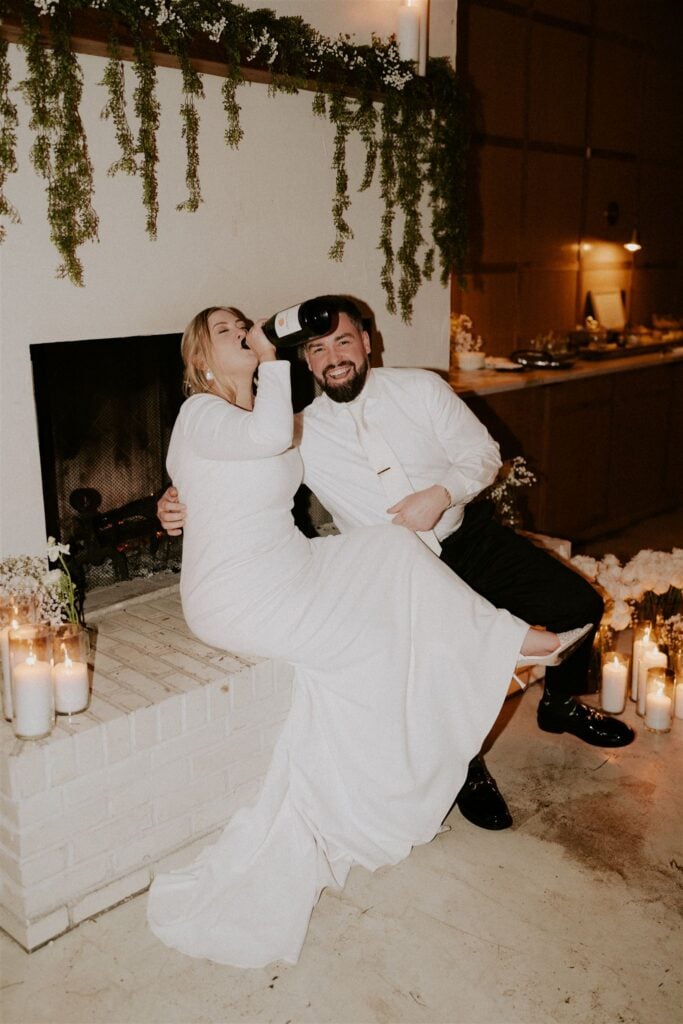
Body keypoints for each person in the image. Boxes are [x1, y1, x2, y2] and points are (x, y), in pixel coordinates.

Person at [147, 304, 575, 968]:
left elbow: (229, 473)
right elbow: (248, 449)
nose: (244, 330)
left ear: (367, 344)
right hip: (240, 590)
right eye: (226, 330)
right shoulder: (206, 411)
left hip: (295, 561)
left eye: (245, 324)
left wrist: (178, 498)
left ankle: (496, 643)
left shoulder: (272, 413)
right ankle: (494, 651)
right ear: (199, 359)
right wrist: (267, 364)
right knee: (375, 639)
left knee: (392, 552)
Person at [158, 295, 635, 836]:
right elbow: (228, 468)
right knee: (430, 659)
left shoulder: (421, 389)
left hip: (466, 538)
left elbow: (482, 453)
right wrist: (174, 498)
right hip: (396, 567)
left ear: (367, 342)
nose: (334, 357)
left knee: (581, 605)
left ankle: (560, 703)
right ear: (307, 362)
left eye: (343, 341)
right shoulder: (295, 429)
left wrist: (442, 492)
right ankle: (465, 769)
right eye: (319, 348)